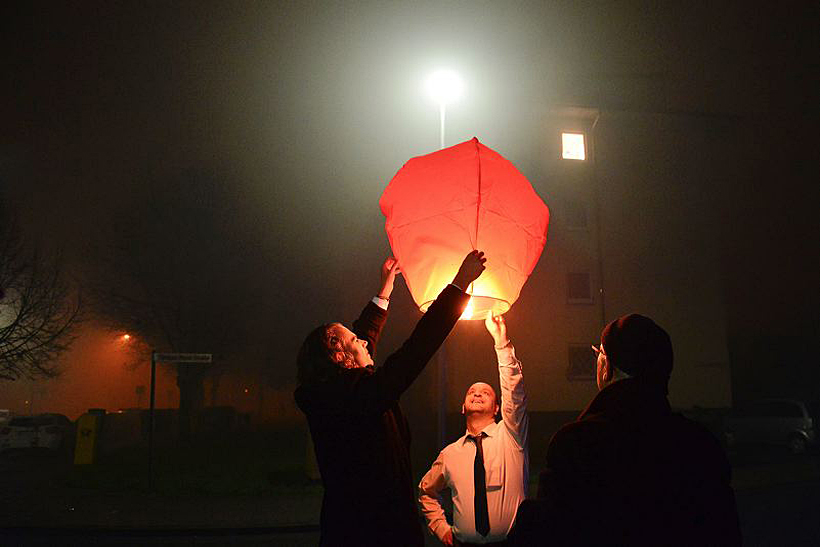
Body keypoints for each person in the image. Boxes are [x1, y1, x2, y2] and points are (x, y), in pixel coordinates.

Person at [294, 250, 486, 547]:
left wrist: (384, 290)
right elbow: (416, 350)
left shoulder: (341, 391)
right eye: (354, 339)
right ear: (340, 356)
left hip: (356, 528)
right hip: (375, 533)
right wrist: (459, 284)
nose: (364, 340)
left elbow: (363, 339)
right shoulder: (359, 397)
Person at [509, 313, 741, 546]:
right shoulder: (699, 444)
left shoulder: (577, 443)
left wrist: (528, 517)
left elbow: (553, 532)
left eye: (599, 353)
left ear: (607, 368)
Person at [419, 313, 528, 546]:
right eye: (471, 392)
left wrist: (501, 343)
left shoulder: (511, 436)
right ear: (462, 407)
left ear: (497, 408)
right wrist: (440, 527)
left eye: (486, 392)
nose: (477, 393)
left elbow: (514, 393)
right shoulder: (450, 454)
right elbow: (426, 492)